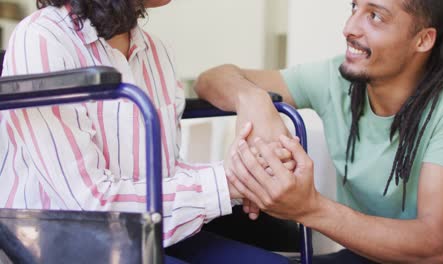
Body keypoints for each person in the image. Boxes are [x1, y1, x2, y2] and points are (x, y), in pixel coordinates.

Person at [0, 0, 293, 263]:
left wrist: (247, 175)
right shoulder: (42, 38)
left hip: (144, 232)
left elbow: (163, 175)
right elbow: (89, 206)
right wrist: (229, 183)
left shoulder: (158, 52)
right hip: (55, 238)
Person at [194, 0, 443, 262]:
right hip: (364, 257)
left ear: (423, 40)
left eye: (375, 16)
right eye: (354, 7)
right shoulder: (335, 78)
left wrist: (308, 207)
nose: (349, 28)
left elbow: (434, 246)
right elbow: (212, 79)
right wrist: (255, 102)